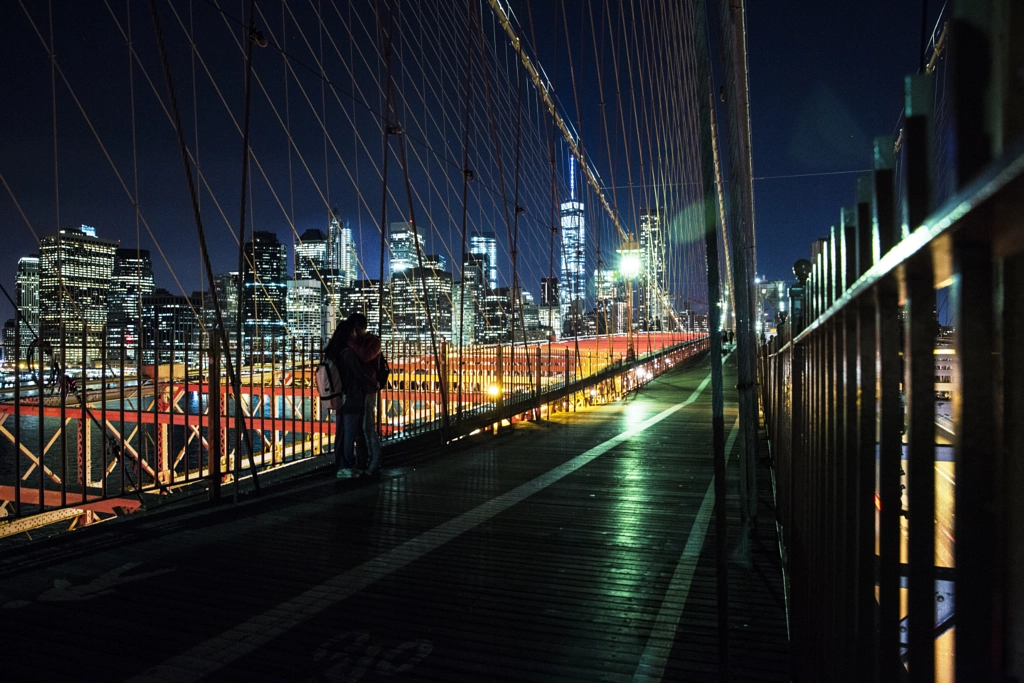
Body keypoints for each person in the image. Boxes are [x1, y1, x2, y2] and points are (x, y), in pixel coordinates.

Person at [346, 313, 384, 477]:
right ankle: (363, 462)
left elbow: (365, 355)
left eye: (355, 328)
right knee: (359, 429)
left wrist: (350, 343)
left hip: (368, 388)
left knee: (368, 427)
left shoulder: (374, 341)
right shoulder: (356, 342)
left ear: (361, 327)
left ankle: (375, 462)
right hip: (356, 389)